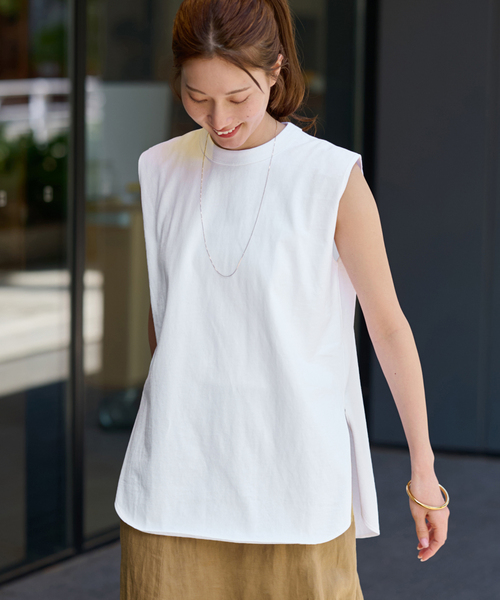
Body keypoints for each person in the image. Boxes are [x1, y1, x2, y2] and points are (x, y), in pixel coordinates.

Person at [115, 0, 450, 598]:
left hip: (294, 482)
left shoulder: (329, 179)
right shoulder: (161, 168)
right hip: (174, 480)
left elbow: (388, 327)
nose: (218, 119)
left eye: (237, 97)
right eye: (197, 96)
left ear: (275, 70)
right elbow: (166, 315)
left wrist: (422, 471)